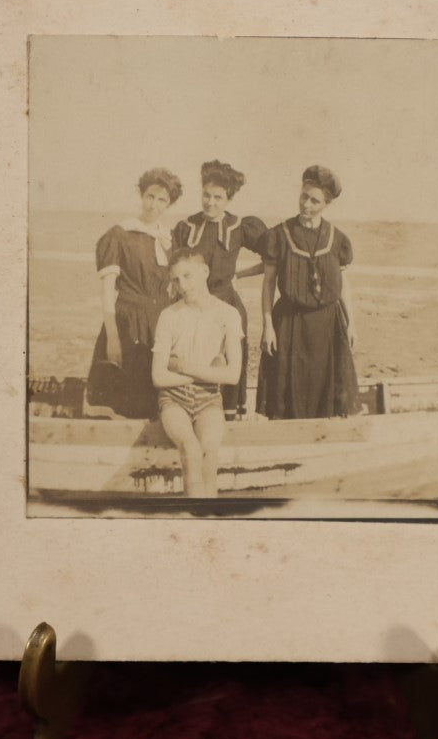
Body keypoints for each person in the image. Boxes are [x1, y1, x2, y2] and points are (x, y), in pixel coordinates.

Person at [257, 165, 361, 420]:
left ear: (326, 204)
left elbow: (344, 286)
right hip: (290, 322)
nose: (306, 204)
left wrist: (351, 325)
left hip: (327, 324)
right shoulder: (279, 235)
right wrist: (267, 326)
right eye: (304, 196)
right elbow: (268, 283)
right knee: (286, 388)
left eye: (315, 201)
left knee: (326, 386)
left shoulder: (337, 239)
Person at [172, 160, 267, 418]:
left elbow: (274, 258)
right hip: (194, 308)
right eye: (206, 195)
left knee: (227, 363)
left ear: (228, 199)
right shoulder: (187, 227)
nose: (210, 202)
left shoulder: (239, 227)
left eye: (218, 197)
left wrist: (240, 274)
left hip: (227, 307)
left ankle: (229, 416)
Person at [87, 167, 182, 419]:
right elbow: (107, 291)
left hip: (160, 325)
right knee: (126, 399)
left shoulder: (168, 239)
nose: (154, 205)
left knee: (158, 401)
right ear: (142, 195)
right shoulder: (119, 234)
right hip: (129, 322)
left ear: (169, 204)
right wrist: (113, 337)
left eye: (163, 200)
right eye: (150, 196)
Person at [151, 250, 243, 498]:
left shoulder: (228, 314)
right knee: (190, 449)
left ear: (204, 272)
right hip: (173, 399)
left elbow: (233, 375)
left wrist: (182, 367)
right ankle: (194, 517)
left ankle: (207, 519)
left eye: (188, 276)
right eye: (176, 280)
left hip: (209, 399)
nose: (182, 285)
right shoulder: (169, 316)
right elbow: (159, 378)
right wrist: (207, 373)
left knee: (209, 454)